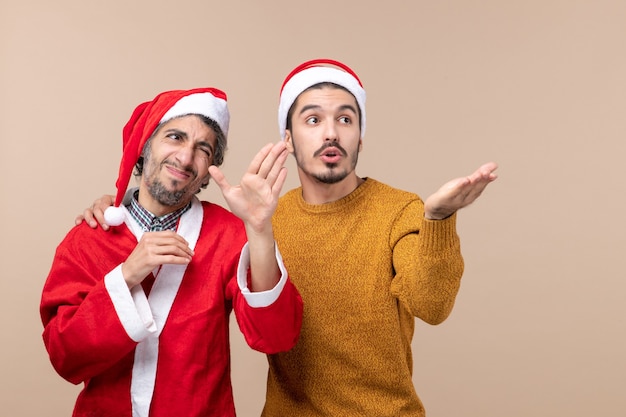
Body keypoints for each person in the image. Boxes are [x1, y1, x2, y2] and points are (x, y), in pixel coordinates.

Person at [79, 60, 498, 416]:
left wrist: (438, 218)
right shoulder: (260, 216)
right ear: (288, 138)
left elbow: (432, 305)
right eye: (313, 120)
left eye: (345, 120)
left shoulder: (400, 209)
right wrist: (118, 205)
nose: (330, 133)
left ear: (360, 137)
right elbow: (172, 199)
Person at [40, 87, 303, 417]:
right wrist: (126, 275)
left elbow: (276, 336)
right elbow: (66, 357)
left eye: (202, 148)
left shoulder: (227, 234)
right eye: (175, 137)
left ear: (210, 166)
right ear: (145, 145)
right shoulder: (89, 239)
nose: (185, 157)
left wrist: (260, 228)